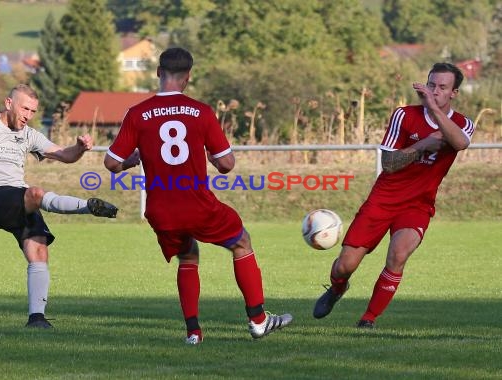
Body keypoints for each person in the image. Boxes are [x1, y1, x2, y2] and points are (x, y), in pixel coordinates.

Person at [104, 47, 292, 344]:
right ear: (188, 77)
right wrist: (212, 158)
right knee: (242, 242)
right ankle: (258, 320)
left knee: (188, 255)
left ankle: (193, 332)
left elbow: (112, 163)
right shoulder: (202, 112)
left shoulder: (137, 113)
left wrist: (135, 158)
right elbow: (227, 164)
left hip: (161, 210)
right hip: (197, 205)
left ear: (158, 73)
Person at [313, 63, 475, 328]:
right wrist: (423, 144)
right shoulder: (404, 115)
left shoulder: (462, 124)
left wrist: (434, 110)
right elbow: (388, 163)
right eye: (431, 84)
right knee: (344, 266)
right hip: (383, 199)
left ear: (454, 93)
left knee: (398, 254)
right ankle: (337, 288)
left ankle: (368, 319)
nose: (434, 91)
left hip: (418, 204)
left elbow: (460, 143)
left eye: (442, 87)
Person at [0, 84, 119, 328]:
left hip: (17, 197)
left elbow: (64, 155)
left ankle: (37, 318)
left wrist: (80, 149)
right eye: (24, 108)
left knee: (38, 250)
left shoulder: (29, 134)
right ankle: (86, 206)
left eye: (33, 111)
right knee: (35, 193)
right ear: (9, 103)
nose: (28, 115)